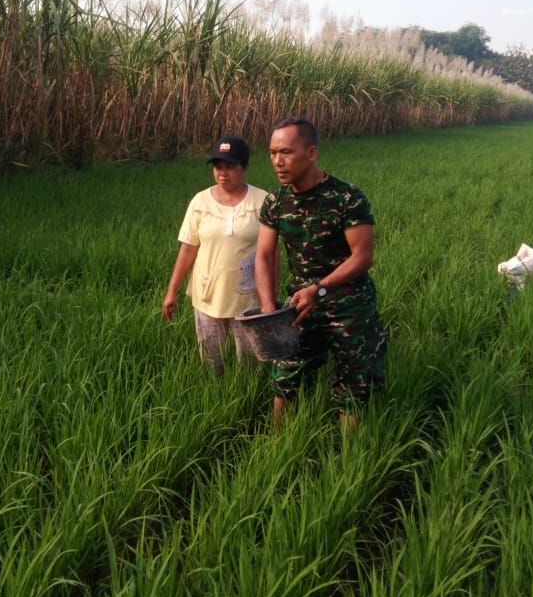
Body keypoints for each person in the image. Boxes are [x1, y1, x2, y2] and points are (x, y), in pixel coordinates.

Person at [254, 117, 386, 435]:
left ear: (311, 153)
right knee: (285, 377)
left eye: (286, 152)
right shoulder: (275, 203)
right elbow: (263, 255)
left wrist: (320, 288)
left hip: (349, 305)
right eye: (272, 153)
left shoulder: (347, 198)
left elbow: (363, 257)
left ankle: (347, 463)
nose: (277, 161)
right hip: (300, 306)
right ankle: (280, 446)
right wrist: (269, 305)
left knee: (354, 382)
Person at [163, 136, 271, 377]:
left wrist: (269, 298)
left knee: (250, 364)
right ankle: (215, 397)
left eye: (230, 167)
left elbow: (270, 254)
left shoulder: (262, 201)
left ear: (245, 168)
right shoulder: (200, 202)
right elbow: (188, 248)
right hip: (208, 292)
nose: (223, 173)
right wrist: (172, 291)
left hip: (248, 296)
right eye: (218, 167)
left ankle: (247, 399)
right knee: (212, 363)